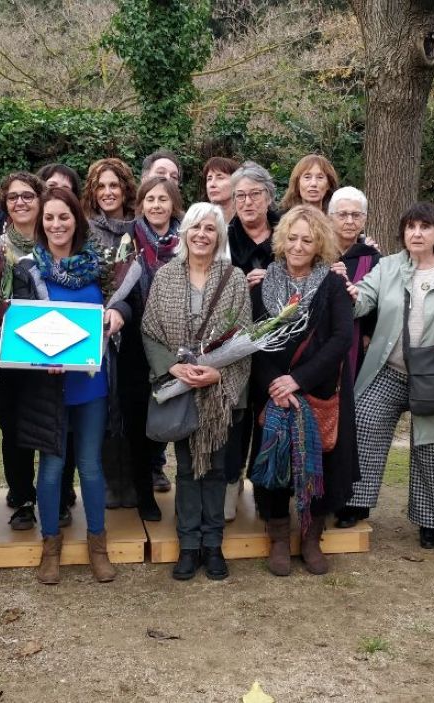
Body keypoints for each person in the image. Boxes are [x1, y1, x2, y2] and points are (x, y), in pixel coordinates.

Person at [12, 188, 127, 585]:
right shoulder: (28, 269)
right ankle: (50, 546)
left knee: (91, 466)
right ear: (40, 223)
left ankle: (98, 545)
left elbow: (121, 302)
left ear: (77, 220)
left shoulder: (99, 265)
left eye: (64, 217)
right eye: (49, 218)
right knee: (52, 467)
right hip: (49, 386)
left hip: (90, 383)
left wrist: (118, 312)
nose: (56, 224)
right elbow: (18, 324)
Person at [343, 203, 434, 546]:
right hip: (390, 368)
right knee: (364, 421)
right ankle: (355, 503)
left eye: (425, 227)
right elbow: (364, 298)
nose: (416, 233)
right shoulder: (388, 266)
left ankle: (430, 521)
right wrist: (351, 294)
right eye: (410, 227)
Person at [142, 203, 250, 580]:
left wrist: (218, 374)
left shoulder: (234, 278)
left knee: (217, 468)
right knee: (187, 469)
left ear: (219, 236)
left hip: (218, 392)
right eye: (195, 227)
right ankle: (188, 545)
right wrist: (172, 366)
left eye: (210, 228)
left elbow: (245, 337)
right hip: (183, 389)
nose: (202, 235)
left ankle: (213, 544)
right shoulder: (165, 277)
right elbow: (150, 331)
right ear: (184, 232)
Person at [250, 205, 359, 576]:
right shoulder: (263, 284)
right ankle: (279, 538)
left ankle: (312, 538)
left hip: (319, 389)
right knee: (275, 462)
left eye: (307, 240)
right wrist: (275, 384)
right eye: (292, 238)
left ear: (319, 245)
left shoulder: (332, 285)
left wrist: (299, 380)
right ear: (282, 240)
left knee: (321, 464)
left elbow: (342, 338)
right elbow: (254, 340)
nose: (298, 246)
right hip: (273, 391)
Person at [0, 173, 78, 531]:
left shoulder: (57, 242)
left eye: (27, 196)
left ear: (41, 200)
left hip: (54, 356)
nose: (20, 202)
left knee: (58, 429)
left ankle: (61, 496)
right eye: (12, 197)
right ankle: (22, 499)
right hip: (9, 359)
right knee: (14, 432)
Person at [111, 177, 186, 518]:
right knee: (138, 420)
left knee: (175, 416)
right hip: (135, 345)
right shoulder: (128, 241)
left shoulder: (188, 238)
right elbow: (117, 290)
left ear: (174, 204)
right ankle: (144, 493)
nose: (156, 205)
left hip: (179, 344)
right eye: (150, 199)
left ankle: (185, 490)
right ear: (141, 204)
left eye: (163, 199)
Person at [223, 161, 279, 519]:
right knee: (236, 419)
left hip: (279, 341)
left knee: (269, 416)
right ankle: (230, 486)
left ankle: (266, 491)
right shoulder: (223, 237)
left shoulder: (287, 232)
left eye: (254, 194)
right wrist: (238, 286)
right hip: (234, 341)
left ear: (269, 197)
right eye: (240, 196)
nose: (247, 202)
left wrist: (274, 278)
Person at [327, 186, 379, 383]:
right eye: (342, 215)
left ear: (364, 219)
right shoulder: (316, 254)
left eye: (356, 215)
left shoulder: (374, 259)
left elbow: (380, 303)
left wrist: (368, 334)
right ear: (330, 217)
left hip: (358, 342)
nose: (349, 221)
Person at [82, 157, 137, 249]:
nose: (107, 192)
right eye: (101, 186)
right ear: (93, 192)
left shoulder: (140, 227)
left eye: (113, 185)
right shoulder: (84, 230)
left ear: (126, 189)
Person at [202, 156, 240, 224]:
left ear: (236, 183)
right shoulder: (198, 221)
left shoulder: (247, 221)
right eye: (209, 179)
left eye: (220, 178)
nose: (212, 184)